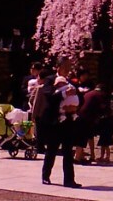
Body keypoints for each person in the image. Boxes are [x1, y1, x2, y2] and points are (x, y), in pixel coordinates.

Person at [39, 56, 82, 188]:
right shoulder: (50, 80)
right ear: (58, 67)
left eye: (69, 66)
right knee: (51, 149)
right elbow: (49, 96)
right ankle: (46, 175)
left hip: (68, 120)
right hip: (54, 121)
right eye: (65, 66)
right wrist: (64, 94)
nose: (68, 69)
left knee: (68, 151)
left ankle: (69, 180)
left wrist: (75, 107)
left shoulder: (71, 81)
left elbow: (79, 96)